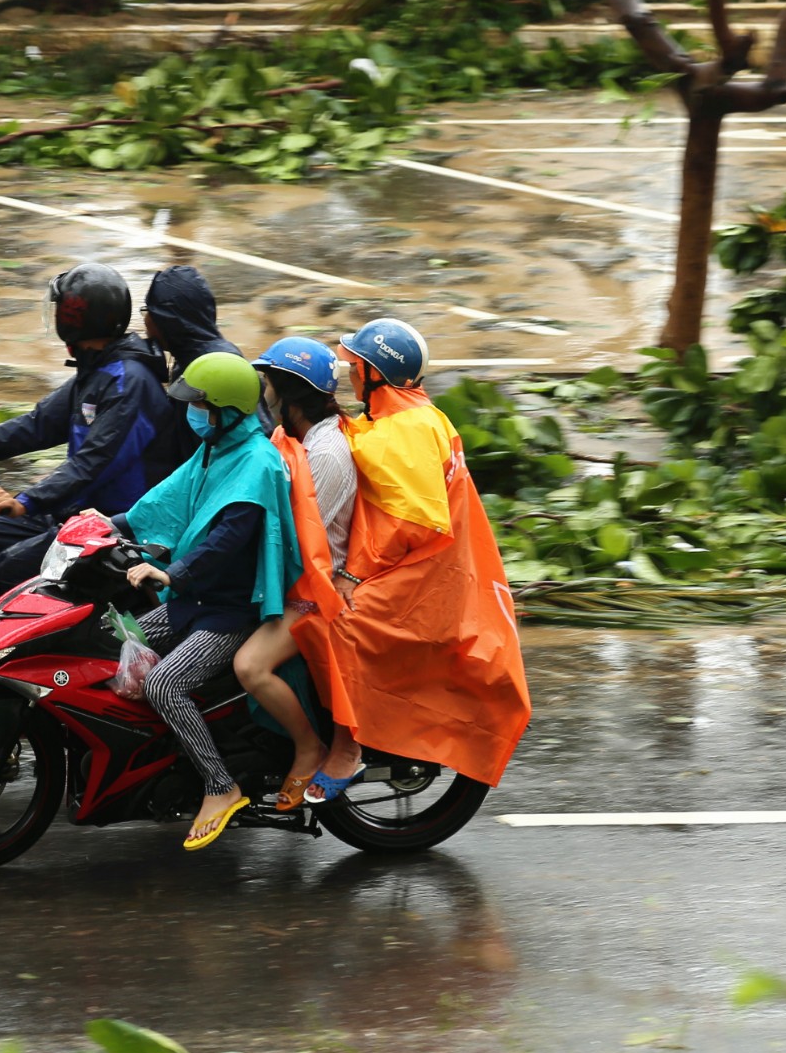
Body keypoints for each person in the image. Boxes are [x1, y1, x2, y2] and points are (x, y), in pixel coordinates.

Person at [290, 318, 532, 804]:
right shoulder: (414, 414)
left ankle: (347, 743)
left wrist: (352, 576)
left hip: (427, 573)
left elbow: (412, 524)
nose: (350, 373)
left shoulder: (407, 428)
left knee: (334, 621)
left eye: (356, 365)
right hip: (440, 564)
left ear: (375, 374)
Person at [113, 352, 300, 851]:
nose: (191, 412)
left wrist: (169, 571)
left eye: (199, 405)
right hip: (194, 598)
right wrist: (105, 526)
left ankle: (222, 786)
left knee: (163, 683)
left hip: (231, 610)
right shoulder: (215, 450)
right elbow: (162, 500)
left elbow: (226, 541)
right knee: (116, 639)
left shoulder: (256, 463)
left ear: (227, 410)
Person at [0, 263, 174, 594]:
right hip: (79, 509)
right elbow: (41, 423)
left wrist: (27, 501)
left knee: (11, 565)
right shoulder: (97, 368)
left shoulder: (129, 382)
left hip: (115, 521)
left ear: (77, 316)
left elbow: (93, 462)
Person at [231, 337, 356, 812]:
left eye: (270, 385)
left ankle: (309, 746)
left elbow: (302, 537)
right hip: (288, 575)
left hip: (311, 591)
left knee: (249, 664)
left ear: (289, 393)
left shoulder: (325, 453)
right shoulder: (297, 437)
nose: (265, 396)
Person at [140, 266, 246, 471]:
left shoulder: (214, 367)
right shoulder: (189, 358)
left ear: (169, 322)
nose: (146, 322)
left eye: (149, 312)